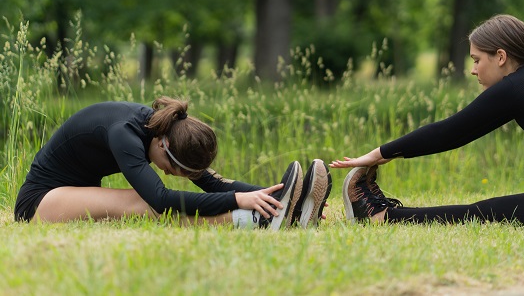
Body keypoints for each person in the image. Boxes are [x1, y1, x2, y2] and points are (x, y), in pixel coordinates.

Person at [331, 14, 524, 226]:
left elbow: (451, 131)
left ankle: (383, 217)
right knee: (499, 209)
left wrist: (380, 153)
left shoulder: (519, 85)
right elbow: (457, 130)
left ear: (500, 57)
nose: (473, 70)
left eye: (476, 60)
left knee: (492, 212)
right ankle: (386, 215)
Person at [14, 96, 331, 230]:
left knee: (147, 202)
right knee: (142, 202)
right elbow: (162, 200)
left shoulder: (166, 130)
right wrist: (238, 201)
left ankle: (285, 211)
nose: (170, 173)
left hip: (74, 192)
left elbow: (211, 183)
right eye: (173, 169)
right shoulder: (123, 134)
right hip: (40, 202)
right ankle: (255, 221)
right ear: (163, 148)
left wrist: (271, 194)